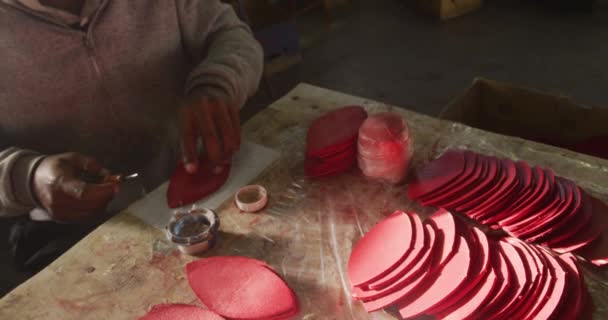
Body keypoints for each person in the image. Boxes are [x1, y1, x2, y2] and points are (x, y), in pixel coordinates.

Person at [0, 0, 263, 290]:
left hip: (190, 182)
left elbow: (231, 36)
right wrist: (26, 176)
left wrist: (217, 83)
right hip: (69, 230)